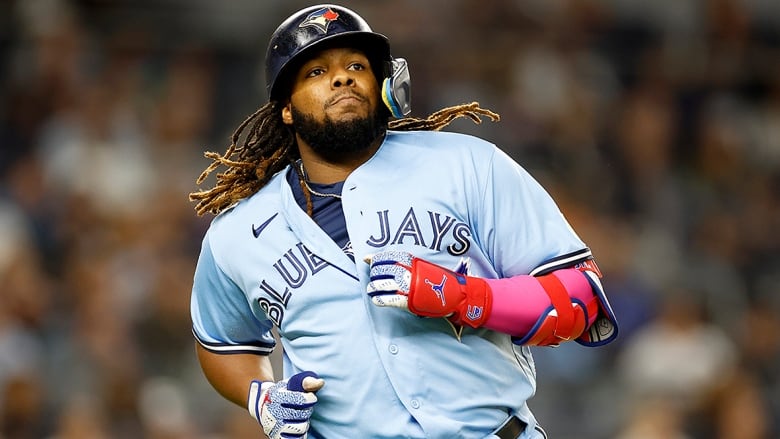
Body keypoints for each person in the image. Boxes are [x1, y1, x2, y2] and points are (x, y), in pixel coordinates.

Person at [188, 4, 618, 439]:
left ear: (383, 86)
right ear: (286, 109)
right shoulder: (238, 233)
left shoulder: (468, 165)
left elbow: (580, 300)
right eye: (316, 72)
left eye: (356, 66)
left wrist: (464, 297)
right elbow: (224, 344)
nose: (342, 78)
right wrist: (261, 395)